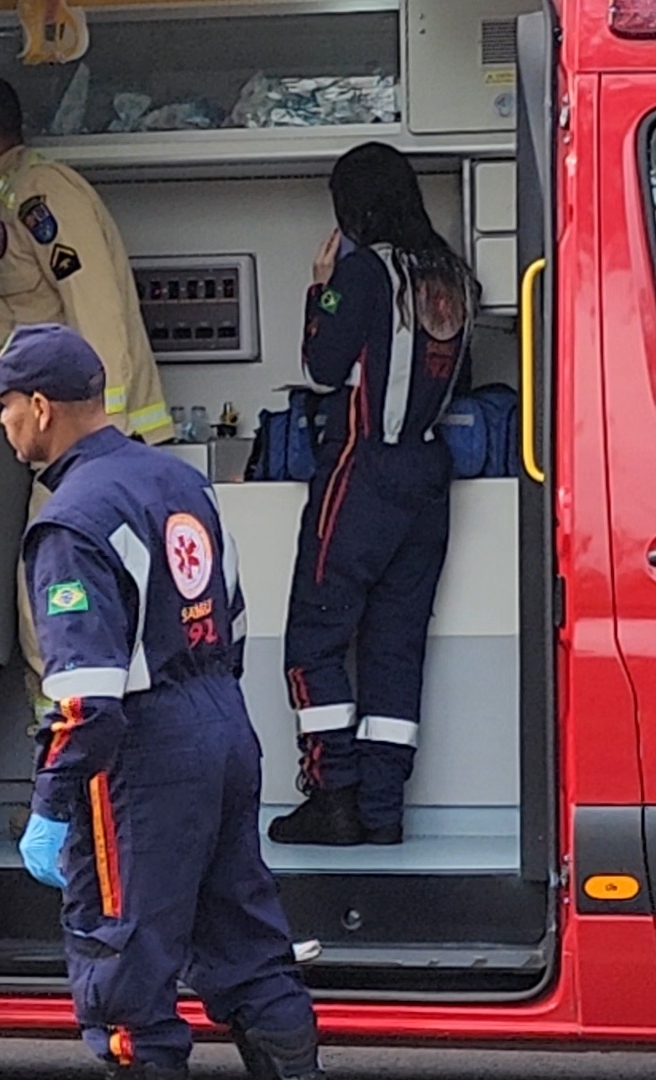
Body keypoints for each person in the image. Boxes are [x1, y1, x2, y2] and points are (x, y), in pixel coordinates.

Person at [0, 323, 323, 1080]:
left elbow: (87, 701)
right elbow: (233, 618)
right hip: (221, 724)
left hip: (143, 758)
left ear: (41, 406)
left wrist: (52, 806)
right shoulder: (179, 481)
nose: (2, 421)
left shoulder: (70, 522)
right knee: (246, 946)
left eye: (5, 406)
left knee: (125, 973)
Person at [268, 143, 478, 848]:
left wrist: (320, 288)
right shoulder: (451, 276)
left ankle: (333, 799)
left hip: (365, 471)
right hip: (428, 476)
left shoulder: (363, 271)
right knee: (394, 647)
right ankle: (383, 811)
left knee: (313, 640)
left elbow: (325, 369)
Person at [0, 76, 173, 446]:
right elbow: (12, 312)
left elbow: (95, 307)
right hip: (50, 424)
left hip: (101, 434)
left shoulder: (42, 194)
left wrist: (103, 428)